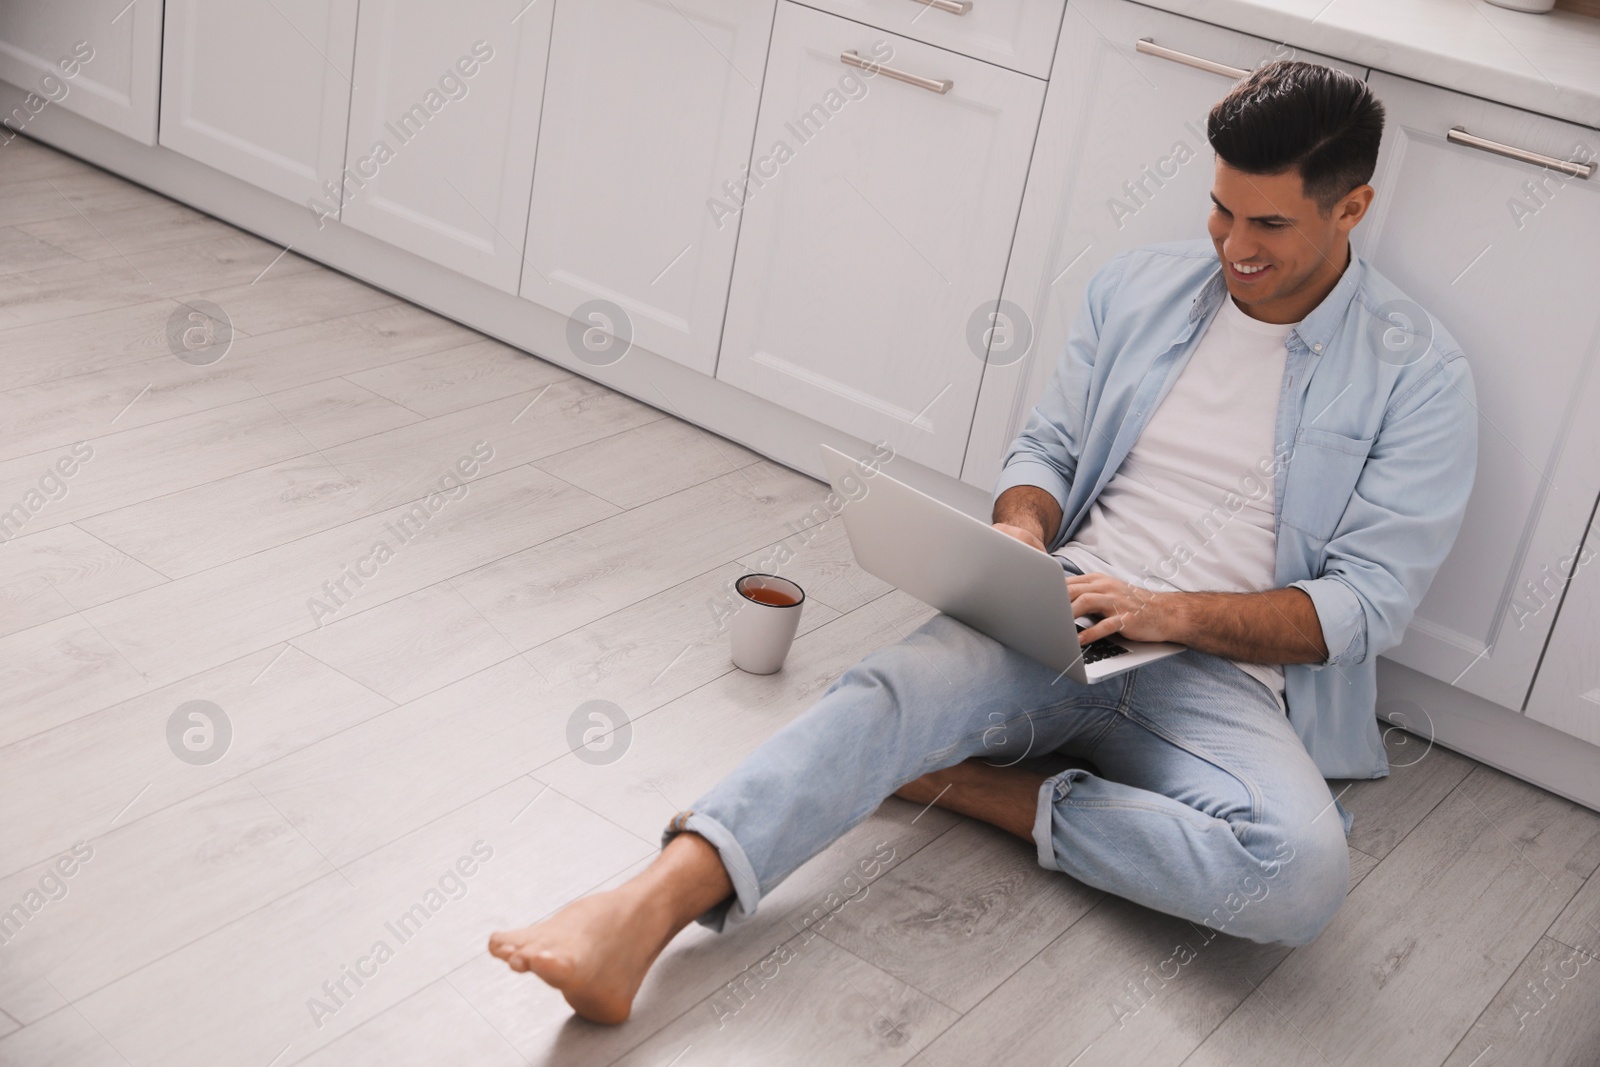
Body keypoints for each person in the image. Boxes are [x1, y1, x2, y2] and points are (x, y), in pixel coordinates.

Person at [486, 60, 1478, 1025]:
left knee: (1298, 873)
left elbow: (1364, 601)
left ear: (1350, 210)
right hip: (1064, 611)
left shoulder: (1419, 372)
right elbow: (1045, 445)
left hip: (1223, 676)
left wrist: (1165, 612)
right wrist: (1018, 535)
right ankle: (639, 910)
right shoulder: (1135, 289)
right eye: (1221, 209)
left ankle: (959, 778)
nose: (1232, 246)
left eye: (1268, 223)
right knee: (891, 691)